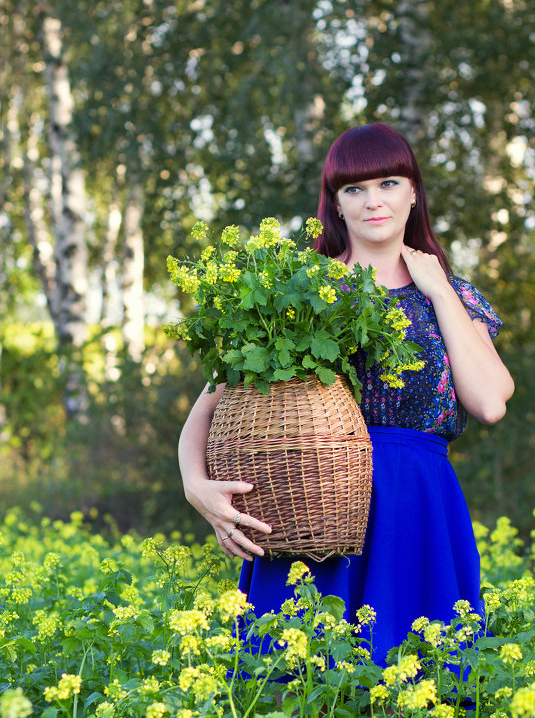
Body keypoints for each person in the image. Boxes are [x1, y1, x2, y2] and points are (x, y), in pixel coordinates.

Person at [178, 122, 514, 665]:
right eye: (354, 189)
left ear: (413, 192)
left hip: (416, 506)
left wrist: (438, 290)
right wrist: (197, 486)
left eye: (387, 183)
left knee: (417, 679)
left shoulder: (453, 294)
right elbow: (212, 402)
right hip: (313, 502)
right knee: (302, 679)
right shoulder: (300, 289)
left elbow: (490, 401)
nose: (372, 201)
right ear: (335, 204)